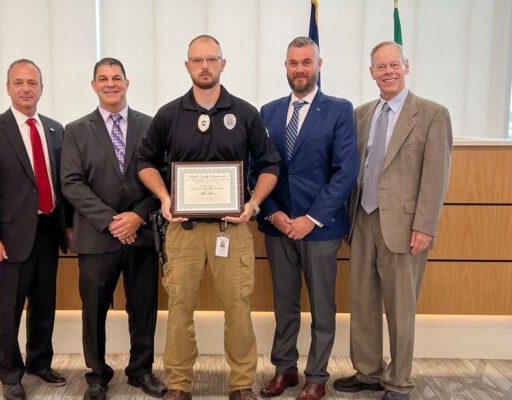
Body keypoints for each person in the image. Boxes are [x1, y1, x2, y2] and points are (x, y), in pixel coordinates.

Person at [137, 34, 281, 400]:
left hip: (231, 231)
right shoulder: (169, 114)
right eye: (197, 60)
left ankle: (241, 384)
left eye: (211, 59)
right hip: (182, 232)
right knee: (180, 308)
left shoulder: (246, 113)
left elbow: (270, 165)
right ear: (187, 66)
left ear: (222, 64)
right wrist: (165, 196)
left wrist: (252, 205)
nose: (204, 66)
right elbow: (144, 162)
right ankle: (180, 384)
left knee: (238, 308)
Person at [333, 41, 453, 400]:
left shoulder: (432, 114)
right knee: (363, 302)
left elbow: (436, 176)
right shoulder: (362, 114)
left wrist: (425, 226)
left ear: (406, 66)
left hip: (404, 227)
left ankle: (399, 381)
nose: (388, 72)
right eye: (380, 67)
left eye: (393, 65)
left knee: (400, 308)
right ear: (371, 73)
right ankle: (368, 372)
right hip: (363, 219)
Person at [254, 37, 358, 400]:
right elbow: (257, 168)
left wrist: (311, 218)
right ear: (285, 66)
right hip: (277, 225)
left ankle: (317, 375)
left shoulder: (339, 110)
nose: (300, 69)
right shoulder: (267, 111)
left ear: (318, 65)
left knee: (323, 307)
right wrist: (273, 212)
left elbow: (345, 172)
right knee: (284, 303)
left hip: (320, 228)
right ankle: (285, 369)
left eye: (306, 62)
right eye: (293, 63)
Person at [61, 58, 167, 400]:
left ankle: (141, 371)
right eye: (103, 79)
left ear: (127, 82)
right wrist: (112, 220)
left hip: (142, 234)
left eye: (116, 78)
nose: (110, 83)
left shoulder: (150, 126)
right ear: (93, 85)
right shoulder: (75, 130)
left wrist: (137, 216)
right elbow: (72, 183)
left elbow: (163, 180)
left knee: (143, 307)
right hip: (97, 237)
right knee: (93, 310)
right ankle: (97, 375)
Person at [0, 59, 72, 400]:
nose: (26, 88)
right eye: (18, 83)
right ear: (8, 87)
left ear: (42, 87)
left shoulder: (56, 130)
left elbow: (63, 183)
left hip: (48, 230)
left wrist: (67, 226)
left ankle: (39, 362)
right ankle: (10, 373)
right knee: (9, 309)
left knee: (44, 303)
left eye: (32, 82)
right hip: (10, 237)